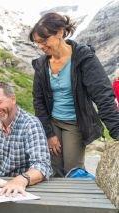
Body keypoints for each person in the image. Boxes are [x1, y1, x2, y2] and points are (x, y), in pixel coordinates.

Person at [30, 12, 119, 177]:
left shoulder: (83, 58)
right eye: (37, 43)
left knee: (73, 171)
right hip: (52, 122)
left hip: (75, 123)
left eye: (44, 40)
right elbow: (39, 100)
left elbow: (103, 96)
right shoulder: (42, 65)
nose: (41, 46)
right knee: (51, 170)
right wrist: (49, 133)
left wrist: (117, 131)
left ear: (60, 32)